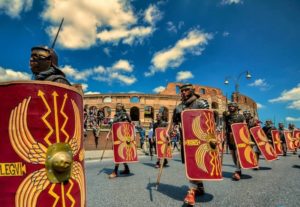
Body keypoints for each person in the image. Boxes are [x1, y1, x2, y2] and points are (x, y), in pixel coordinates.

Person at [166, 83, 210, 206]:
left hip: (200, 139)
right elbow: (173, 122)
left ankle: (191, 191)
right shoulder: (179, 107)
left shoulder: (201, 103)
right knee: (190, 164)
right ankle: (199, 187)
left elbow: (209, 120)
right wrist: (168, 132)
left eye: (185, 90)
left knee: (197, 163)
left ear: (191, 91)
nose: (183, 92)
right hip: (185, 139)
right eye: (182, 91)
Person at [108, 103, 132, 179]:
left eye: (118, 106)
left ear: (122, 107)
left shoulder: (125, 114)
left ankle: (115, 171)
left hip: (123, 137)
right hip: (116, 137)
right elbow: (113, 126)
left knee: (119, 153)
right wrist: (108, 134)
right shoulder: (116, 115)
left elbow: (128, 125)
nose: (117, 107)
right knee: (120, 153)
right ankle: (127, 169)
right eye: (116, 106)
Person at [223, 102, 245, 181]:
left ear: (236, 107)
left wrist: (247, 138)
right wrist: (224, 136)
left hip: (239, 137)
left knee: (238, 153)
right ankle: (238, 168)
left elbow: (244, 127)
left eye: (232, 106)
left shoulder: (241, 116)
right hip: (230, 136)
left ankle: (237, 171)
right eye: (229, 106)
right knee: (233, 155)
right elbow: (225, 127)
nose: (231, 107)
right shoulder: (227, 117)